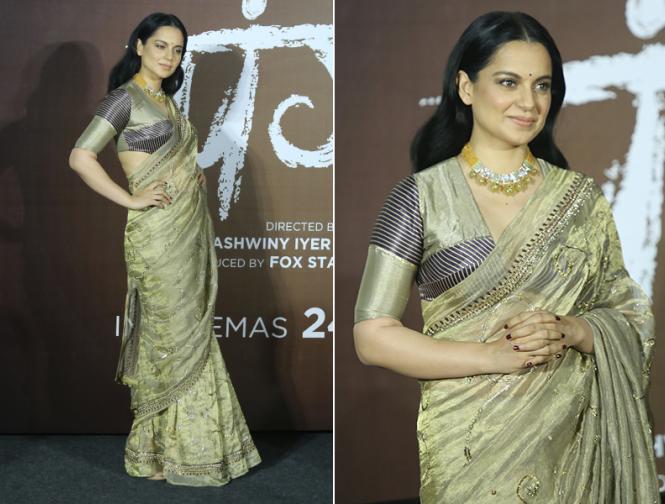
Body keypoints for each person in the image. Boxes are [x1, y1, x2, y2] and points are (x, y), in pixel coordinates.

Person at [353, 11, 659, 503]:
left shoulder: (581, 200)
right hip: (467, 443)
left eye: (542, 86)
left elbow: (626, 312)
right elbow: (372, 336)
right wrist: (491, 356)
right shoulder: (419, 197)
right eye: (508, 82)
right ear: (466, 87)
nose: (529, 102)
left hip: (571, 440)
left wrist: (573, 329)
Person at [69, 12, 260, 486]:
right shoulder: (124, 99)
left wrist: (191, 176)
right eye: (160, 46)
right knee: (167, 338)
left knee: (188, 333)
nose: (169, 57)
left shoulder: (167, 102)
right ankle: (156, 452)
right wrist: (131, 198)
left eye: (177, 50)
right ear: (138, 45)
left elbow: (167, 159)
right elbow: (80, 156)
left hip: (187, 232)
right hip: (156, 237)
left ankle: (177, 452)